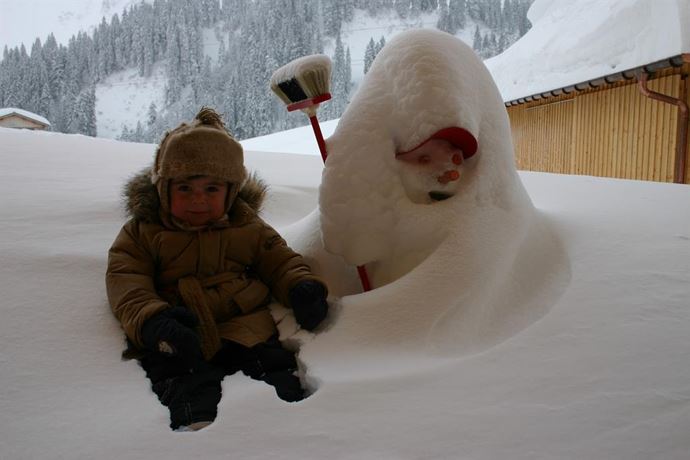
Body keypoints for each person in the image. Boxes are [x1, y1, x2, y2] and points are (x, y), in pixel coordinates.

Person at [106, 107, 329, 431]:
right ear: (163, 188)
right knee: (187, 391)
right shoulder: (143, 231)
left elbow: (277, 258)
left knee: (276, 376)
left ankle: (291, 431)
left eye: (211, 189)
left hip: (245, 325)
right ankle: (198, 434)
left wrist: (300, 286)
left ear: (231, 191)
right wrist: (153, 320)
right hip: (180, 331)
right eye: (185, 189)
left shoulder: (245, 223)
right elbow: (127, 280)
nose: (198, 200)